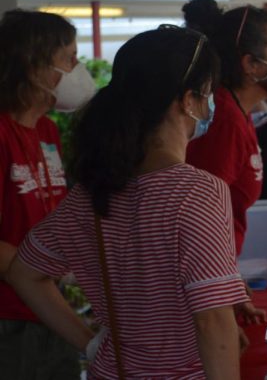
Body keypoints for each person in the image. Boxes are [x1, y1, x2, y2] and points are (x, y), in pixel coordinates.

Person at [7, 26, 248, 379]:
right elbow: (212, 320)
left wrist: (91, 344)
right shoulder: (197, 192)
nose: (213, 105)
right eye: (209, 94)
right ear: (188, 100)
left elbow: (24, 273)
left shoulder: (90, 194)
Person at [0, 9, 94, 378]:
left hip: (47, 312)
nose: (78, 69)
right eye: (69, 59)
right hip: (8, 323)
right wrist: (46, 267)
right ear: (32, 63)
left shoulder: (47, 132)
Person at [182, 0, 267, 254]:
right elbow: (203, 213)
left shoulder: (237, 111)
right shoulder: (224, 120)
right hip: (208, 272)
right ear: (251, 65)